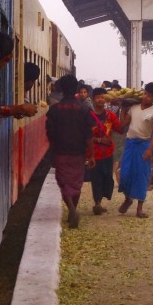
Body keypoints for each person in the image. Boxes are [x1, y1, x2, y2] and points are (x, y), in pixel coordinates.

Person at [45, 74, 94, 228]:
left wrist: (53, 147)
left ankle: (72, 210)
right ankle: (73, 209)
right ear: (77, 89)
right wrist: (91, 154)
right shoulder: (84, 109)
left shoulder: (54, 110)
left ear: (60, 88)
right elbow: (88, 134)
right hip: (79, 151)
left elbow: (50, 133)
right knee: (76, 181)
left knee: (64, 180)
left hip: (60, 151)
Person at [117, 82, 153, 219]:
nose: (146, 97)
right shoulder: (134, 107)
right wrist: (123, 109)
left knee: (142, 175)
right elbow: (123, 124)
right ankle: (127, 198)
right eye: (145, 93)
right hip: (130, 143)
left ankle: (139, 208)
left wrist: (150, 149)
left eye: (149, 96)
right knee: (124, 174)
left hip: (144, 145)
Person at [86, 88, 125, 214]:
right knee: (96, 177)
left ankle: (100, 201)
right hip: (94, 153)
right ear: (93, 99)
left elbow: (120, 129)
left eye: (103, 97)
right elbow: (84, 134)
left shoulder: (110, 116)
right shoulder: (88, 116)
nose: (100, 99)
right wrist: (98, 140)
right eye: (98, 97)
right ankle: (97, 203)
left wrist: (125, 111)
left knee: (107, 177)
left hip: (108, 152)